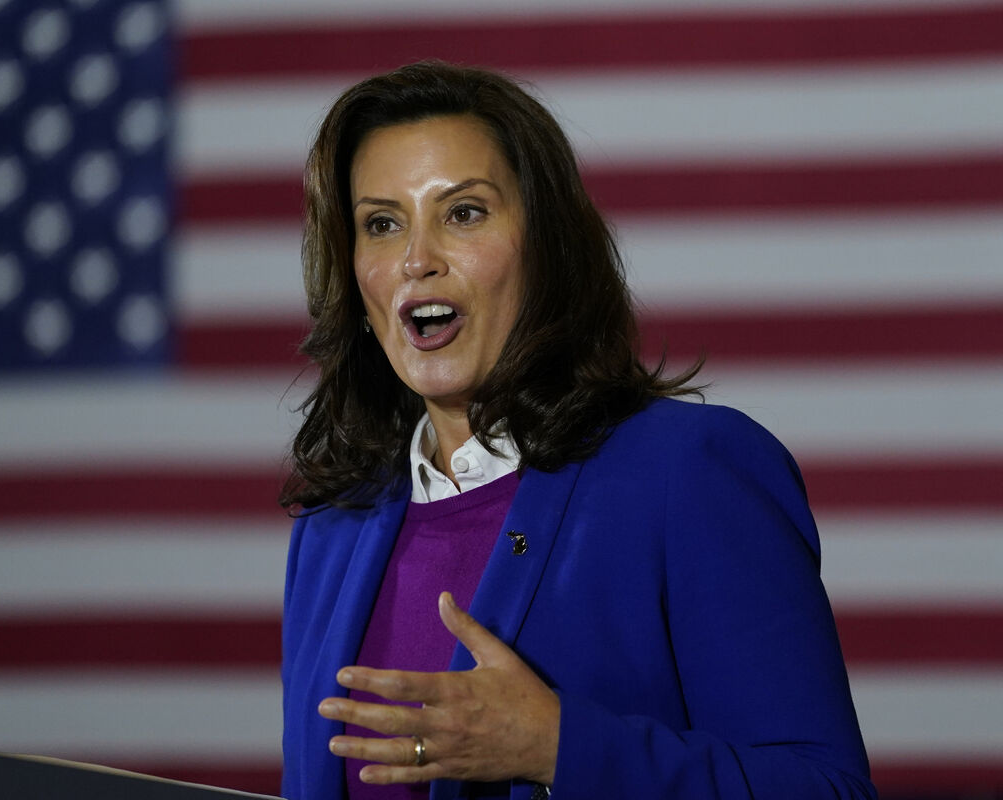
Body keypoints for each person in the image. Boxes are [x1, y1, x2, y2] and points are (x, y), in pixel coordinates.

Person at [278, 60, 876, 800]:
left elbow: (826, 789)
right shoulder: (334, 526)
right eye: (381, 223)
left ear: (547, 244)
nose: (416, 260)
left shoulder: (685, 473)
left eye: (463, 213)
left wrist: (559, 746)